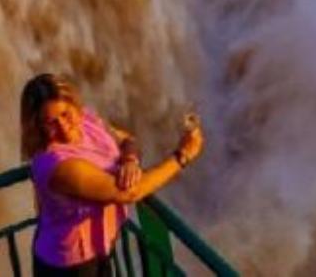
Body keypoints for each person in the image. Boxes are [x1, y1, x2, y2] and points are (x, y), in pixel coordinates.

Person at [20, 72, 205, 277]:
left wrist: (130, 160)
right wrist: (182, 156)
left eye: (65, 114)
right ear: (38, 127)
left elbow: (127, 140)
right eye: (51, 122)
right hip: (69, 266)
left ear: (73, 104)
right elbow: (130, 193)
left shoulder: (86, 120)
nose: (63, 127)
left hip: (96, 251)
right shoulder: (56, 164)